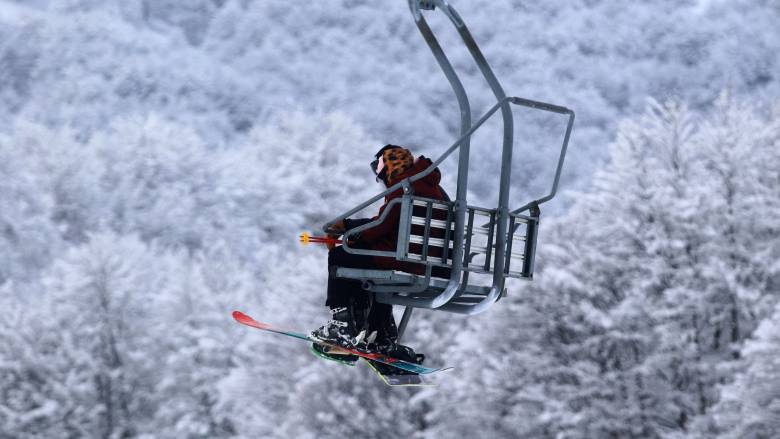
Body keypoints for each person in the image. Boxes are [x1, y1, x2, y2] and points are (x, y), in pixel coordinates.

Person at [310, 144, 449, 362]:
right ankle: (380, 333)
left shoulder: (405, 188)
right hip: (427, 261)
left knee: (340, 256)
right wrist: (351, 227)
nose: (381, 180)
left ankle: (343, 324)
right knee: (368, 269)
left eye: (380, 173)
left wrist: (352, 234)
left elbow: (381, 226)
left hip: (403, 259)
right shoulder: (432, 188)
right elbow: (389, 223)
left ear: (389, 168)